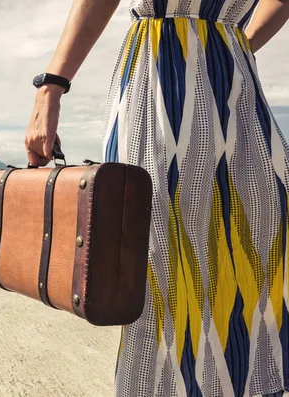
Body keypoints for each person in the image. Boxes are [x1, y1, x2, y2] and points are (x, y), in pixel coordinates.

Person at [25, 0, 289, 395]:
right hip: (217, 69)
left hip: (170, 62)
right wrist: (233, 42)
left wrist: (51, 87)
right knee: (241, 245)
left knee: (163, 259)